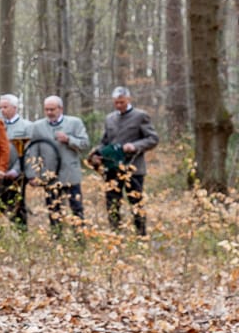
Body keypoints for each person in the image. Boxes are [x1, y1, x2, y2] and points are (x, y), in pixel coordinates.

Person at [90, 86, 159, 236]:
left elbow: (153, 139)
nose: (119, 105)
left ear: (128, 100)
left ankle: (141, 235)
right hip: (112, 168)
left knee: (136, 202)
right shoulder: (110, 118)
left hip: (133, 168)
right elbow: (105, 141)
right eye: (116, 103)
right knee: (112, 203)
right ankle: (116, 235)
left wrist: (134, 146)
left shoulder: (141, 116)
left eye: (121, 102)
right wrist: (98, 153)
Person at [26, 95, 90, 229]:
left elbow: (85, 144)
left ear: (61, 109)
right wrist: (32, 174)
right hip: (49, 176)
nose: (49, 113)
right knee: (53, 209)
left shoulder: (74, 123)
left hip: (70, 175)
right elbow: (32, 151)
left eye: (52, 109)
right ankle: (57, 238)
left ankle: (80, 240)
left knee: (76, 208)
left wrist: (69, 140)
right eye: (46, 110)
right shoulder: (37, 126)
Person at [0, 93, 31, 226]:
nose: (2, 110)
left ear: (15, 108)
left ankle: (21, 235)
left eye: (5, 107)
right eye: (1, 107)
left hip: (18, 175)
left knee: (18, 205)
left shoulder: (27, 126)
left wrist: (16, 170)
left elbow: (27, 152)